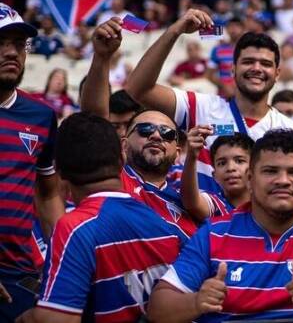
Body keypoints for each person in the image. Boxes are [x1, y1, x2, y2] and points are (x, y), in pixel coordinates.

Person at [147, 130, 293, 322]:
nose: (283, 180)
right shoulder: (214, 233)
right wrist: (196, 301)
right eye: (271, 171)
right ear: (251, 180)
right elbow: (158, 309)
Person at [16, 113, 187, 323]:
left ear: (59, 171)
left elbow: (54, 319)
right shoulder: (165, 224)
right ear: (122, 159)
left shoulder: (76, 228)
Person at [124, 9, 293, 193]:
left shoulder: (291, 131)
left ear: (277, 74)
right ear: (233, 69)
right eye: (248, 62)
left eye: (265, 64)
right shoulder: (201, 107)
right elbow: (138, 88)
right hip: (206, 219)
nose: (256, 68)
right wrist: (174, 32)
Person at [80, 18, 213, 237]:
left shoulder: (190, 200)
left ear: (178, 152)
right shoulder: (115, 180)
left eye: (168, 133)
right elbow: (93, 121)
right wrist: (102, 58)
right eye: (144, 130)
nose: (156, 136)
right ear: (123, 142)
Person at [0, 4, 63, 319]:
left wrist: (63, 257)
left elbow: (48, 192)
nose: (12, 52)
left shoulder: (42, 115)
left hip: (21, 270)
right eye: (1, 43)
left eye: (17, 44)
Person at [205, 18, 245, 98]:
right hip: (224, 97)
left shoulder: (249, 49)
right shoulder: (217, 49)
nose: (233, 29)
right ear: (226, 29)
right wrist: (224, 86)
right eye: (230, 26)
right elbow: (209, 75)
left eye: (237, 26)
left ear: (243, 29)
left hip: (245, 96)